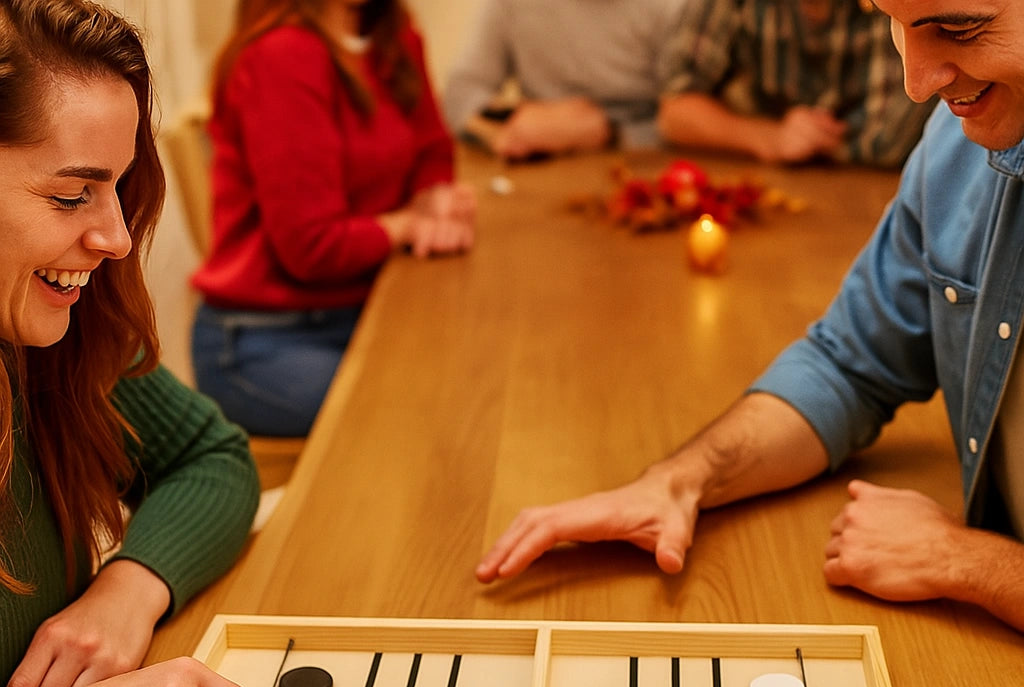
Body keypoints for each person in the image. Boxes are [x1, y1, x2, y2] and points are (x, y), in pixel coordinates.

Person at [477, 0, 1024, 634]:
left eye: (960, 30)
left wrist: (967, 561)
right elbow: (849, 367)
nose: (917, 82)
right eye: (894, 25)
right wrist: (680, 482)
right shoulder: (952, 145)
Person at [0, 0, 284, 687]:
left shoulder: (49, 337)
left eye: (118, 188)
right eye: (70, 194)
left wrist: (129, 587)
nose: (118, 236)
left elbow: (212, 457)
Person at [190, 0, 476, 438]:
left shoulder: (393, 35)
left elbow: (432, 150)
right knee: (429, 414)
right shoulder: (281, 55)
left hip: (370, 310)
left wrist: (433, 199)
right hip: (263, 340)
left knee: (479, 378)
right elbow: (312, 247)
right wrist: (407, 226)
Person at [657, 0, 934, 167]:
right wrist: (770, 138)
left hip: (895, 189)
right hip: (783, 190)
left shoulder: (896, 5)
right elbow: (676, 112)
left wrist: (811, 140)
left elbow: (888, 143)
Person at [442, 0, 692, 160]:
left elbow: (693, 119)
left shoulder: (672, 7)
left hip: (644, 168)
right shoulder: (510, 5)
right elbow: (461, 93)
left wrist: (610, 134)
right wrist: (513, 122)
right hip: (542, 171)